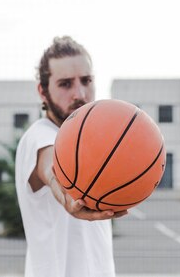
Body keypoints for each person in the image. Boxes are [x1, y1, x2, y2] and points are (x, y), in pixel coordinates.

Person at [15, 36, 127, 277]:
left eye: (86, 80)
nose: (80, 93)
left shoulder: (95, 142)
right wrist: (67, 196)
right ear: (43, 91)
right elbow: (51, 167)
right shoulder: (38, 137)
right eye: (65, 84)